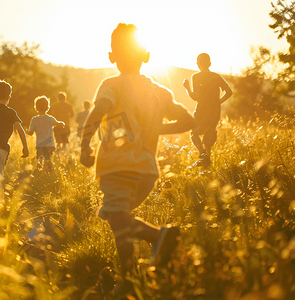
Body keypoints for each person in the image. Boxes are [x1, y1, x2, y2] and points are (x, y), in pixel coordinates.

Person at [80, 23, 196, 292]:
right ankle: (147, 257)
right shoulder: (160, 92)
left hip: (116, 167)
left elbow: (98, 111)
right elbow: (188, 120)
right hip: (146, 172)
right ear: (146, 56)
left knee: (120, 226)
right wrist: (157, 128)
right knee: (118, 217)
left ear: (112, 57)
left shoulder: (112, 84)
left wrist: (84, 144)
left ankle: (132, 278)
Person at [183, 53, 233, 169]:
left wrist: (187, 88)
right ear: (210, 63)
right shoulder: (217, 77)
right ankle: (207, 165)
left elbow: (195, 97)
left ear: (197, 64)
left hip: (202, 110)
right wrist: (218, 102)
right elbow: (229, 92)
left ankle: (201, 152)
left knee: (194, 133)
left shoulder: (196, 77)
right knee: (209, 135)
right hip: (215, 110)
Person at [26, 96, 64, 172]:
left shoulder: (35, 119)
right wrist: (62, 123)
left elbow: (31, 132)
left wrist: (25, 131)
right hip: (50, 144)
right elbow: (59, 124)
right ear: (47, 107)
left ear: (36, 107)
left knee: (40, 158)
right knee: (48, 158)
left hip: (40, 144)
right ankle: (48, 170)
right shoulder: (50, 119)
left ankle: (41, 171)